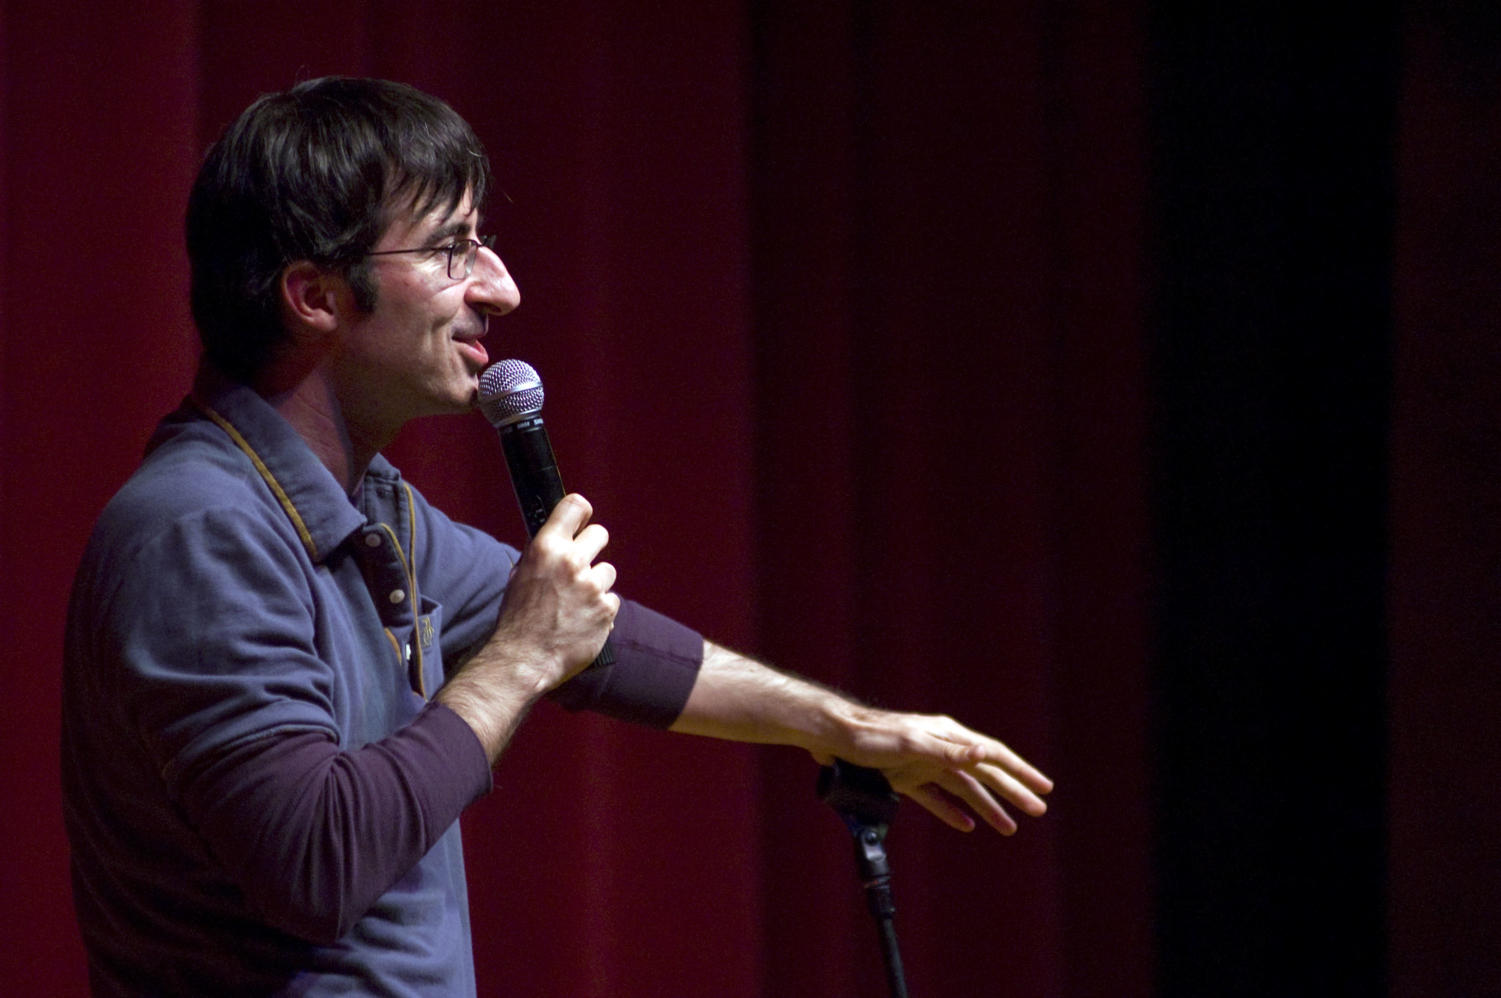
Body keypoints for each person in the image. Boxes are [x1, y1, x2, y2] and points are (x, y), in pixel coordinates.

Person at [60, 77, 1052, 996]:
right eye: (451, 251)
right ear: (315, 294)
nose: (500, 288)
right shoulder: (199, 527)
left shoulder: (372, 510)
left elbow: (608, 645)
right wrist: (521, 657)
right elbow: (313, 863)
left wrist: (844, 728)